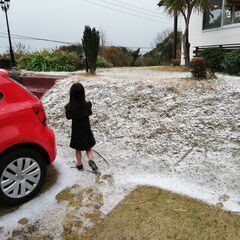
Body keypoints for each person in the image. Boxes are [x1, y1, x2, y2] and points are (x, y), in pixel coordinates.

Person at [65, 83, 98, 172]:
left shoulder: (70, 107)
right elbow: (90, 113)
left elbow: (68, 117)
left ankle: (79, 164)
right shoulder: (87, 105)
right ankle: (91, 160)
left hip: (76, 131)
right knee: (88, 148)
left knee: (78, 149)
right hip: (86, 129)